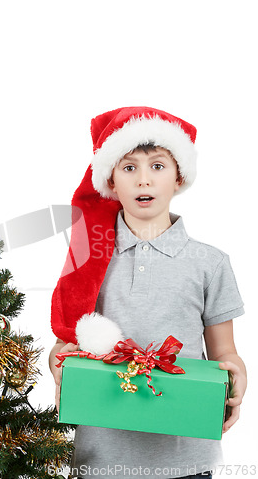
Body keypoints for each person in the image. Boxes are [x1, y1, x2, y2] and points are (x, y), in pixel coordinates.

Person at [48, 106, 247, 479]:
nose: (143, 180)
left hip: (186, 458)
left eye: (157, 166)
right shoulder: (87, 260)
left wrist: (238, 378)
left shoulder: (211, 263)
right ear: (110, 181)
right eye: (129, 168)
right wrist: (59, 363)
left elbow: (225, 353)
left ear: (178, 177)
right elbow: (64, 344)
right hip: (100, 460)